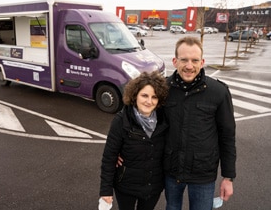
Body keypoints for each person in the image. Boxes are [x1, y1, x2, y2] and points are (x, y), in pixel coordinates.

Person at [163, 36, 236, 210]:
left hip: (203, 173)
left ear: (202, 62)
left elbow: (227, 136)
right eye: (184, 60)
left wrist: (228, 177)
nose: (189, 66)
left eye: (195, 60)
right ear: (175, 61)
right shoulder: (163, 89)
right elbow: (145, 124)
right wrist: (122, 151)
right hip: (171, 171)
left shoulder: (218, 92)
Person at [99, 71, 169, 210]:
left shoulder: (165, 120)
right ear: (135, 95)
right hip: (126, 186)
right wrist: (105, 191)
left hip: (153, 187)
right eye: (144, 95)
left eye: (154, 97)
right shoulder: (121, 120)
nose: (149, 101)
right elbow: (109, 157)